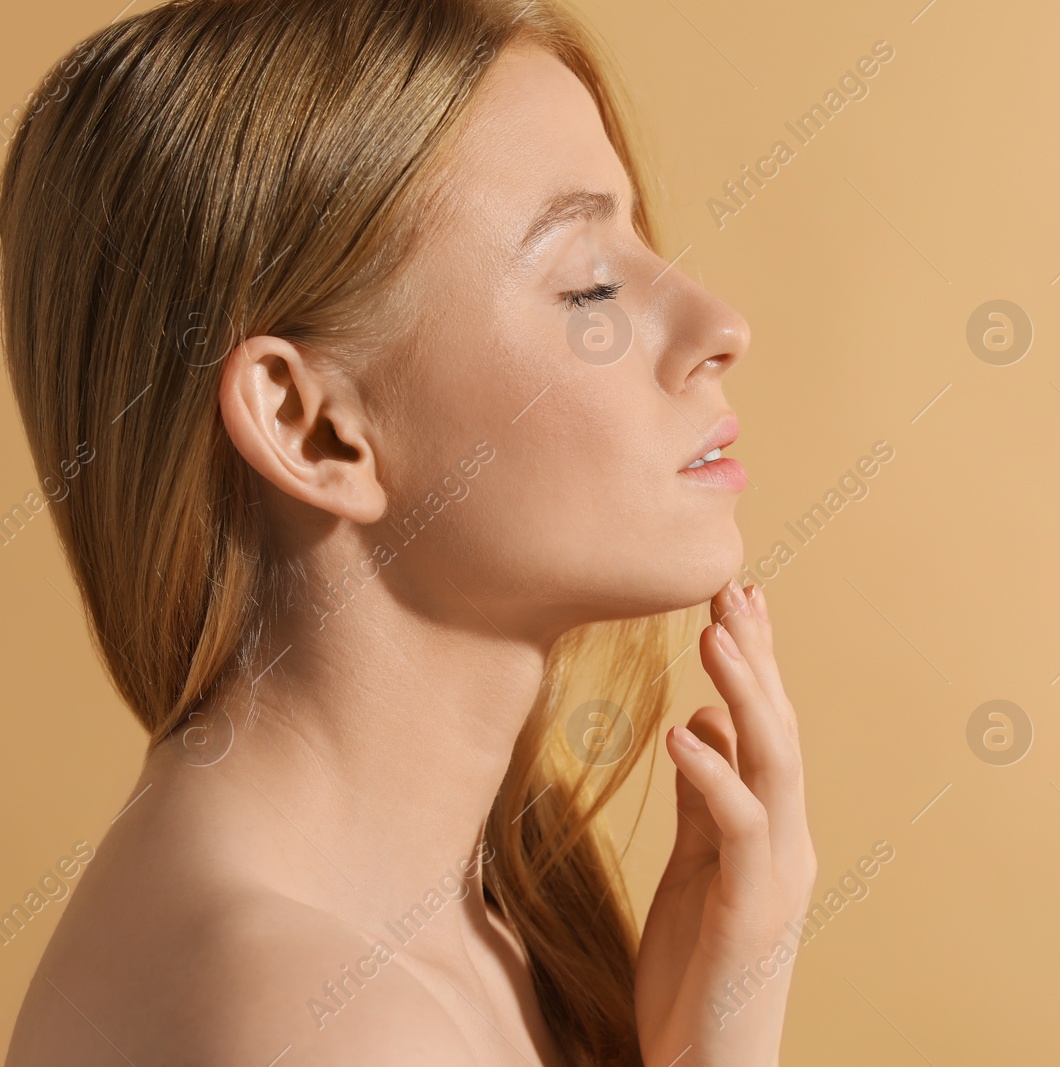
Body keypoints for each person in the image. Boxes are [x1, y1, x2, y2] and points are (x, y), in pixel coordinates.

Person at [0, 1, 815, 1063]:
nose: (718, 326)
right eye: (590, 285)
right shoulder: (327, 1022)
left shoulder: (481, 921)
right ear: (313, 428)